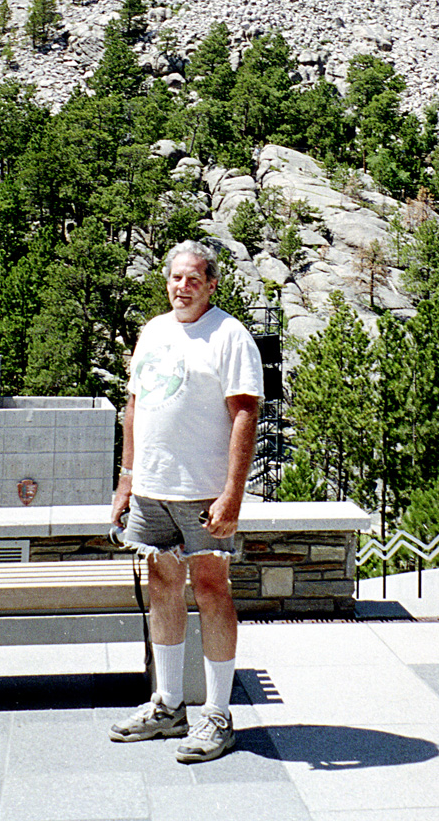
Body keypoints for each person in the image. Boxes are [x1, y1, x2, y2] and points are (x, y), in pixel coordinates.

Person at [109, 240, 263, 763]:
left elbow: (245, 414)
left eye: (194, 278)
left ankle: (217, 714)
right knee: (162, 585)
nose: (182, 287)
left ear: (212, 284)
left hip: (202, 490)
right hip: (153, 487)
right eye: (176, 278)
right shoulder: (153, 331)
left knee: (212, 589)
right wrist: (127, 479)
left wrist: (232, 496)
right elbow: (134, 406)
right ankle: (168, 705)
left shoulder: (229, 335)